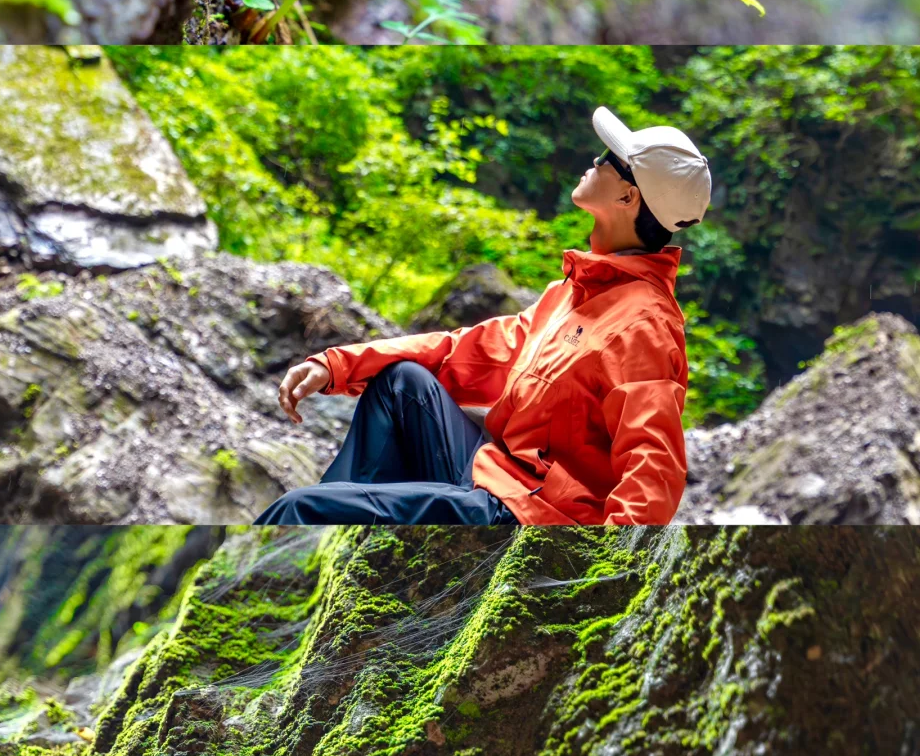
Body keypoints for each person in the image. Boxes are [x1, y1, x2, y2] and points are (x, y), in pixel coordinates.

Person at [253, 107, 712, 527]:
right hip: (493, 474)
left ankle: (329, 537)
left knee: (299, 509)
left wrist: (596, 577)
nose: (593, 164)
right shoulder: (571, 293)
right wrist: (335, 365)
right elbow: (465, 352)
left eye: (604, 159)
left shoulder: (646, 325)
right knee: (402, 383)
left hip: (528, 516)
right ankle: (348, 545)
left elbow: (652, 470)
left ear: (628, 197)